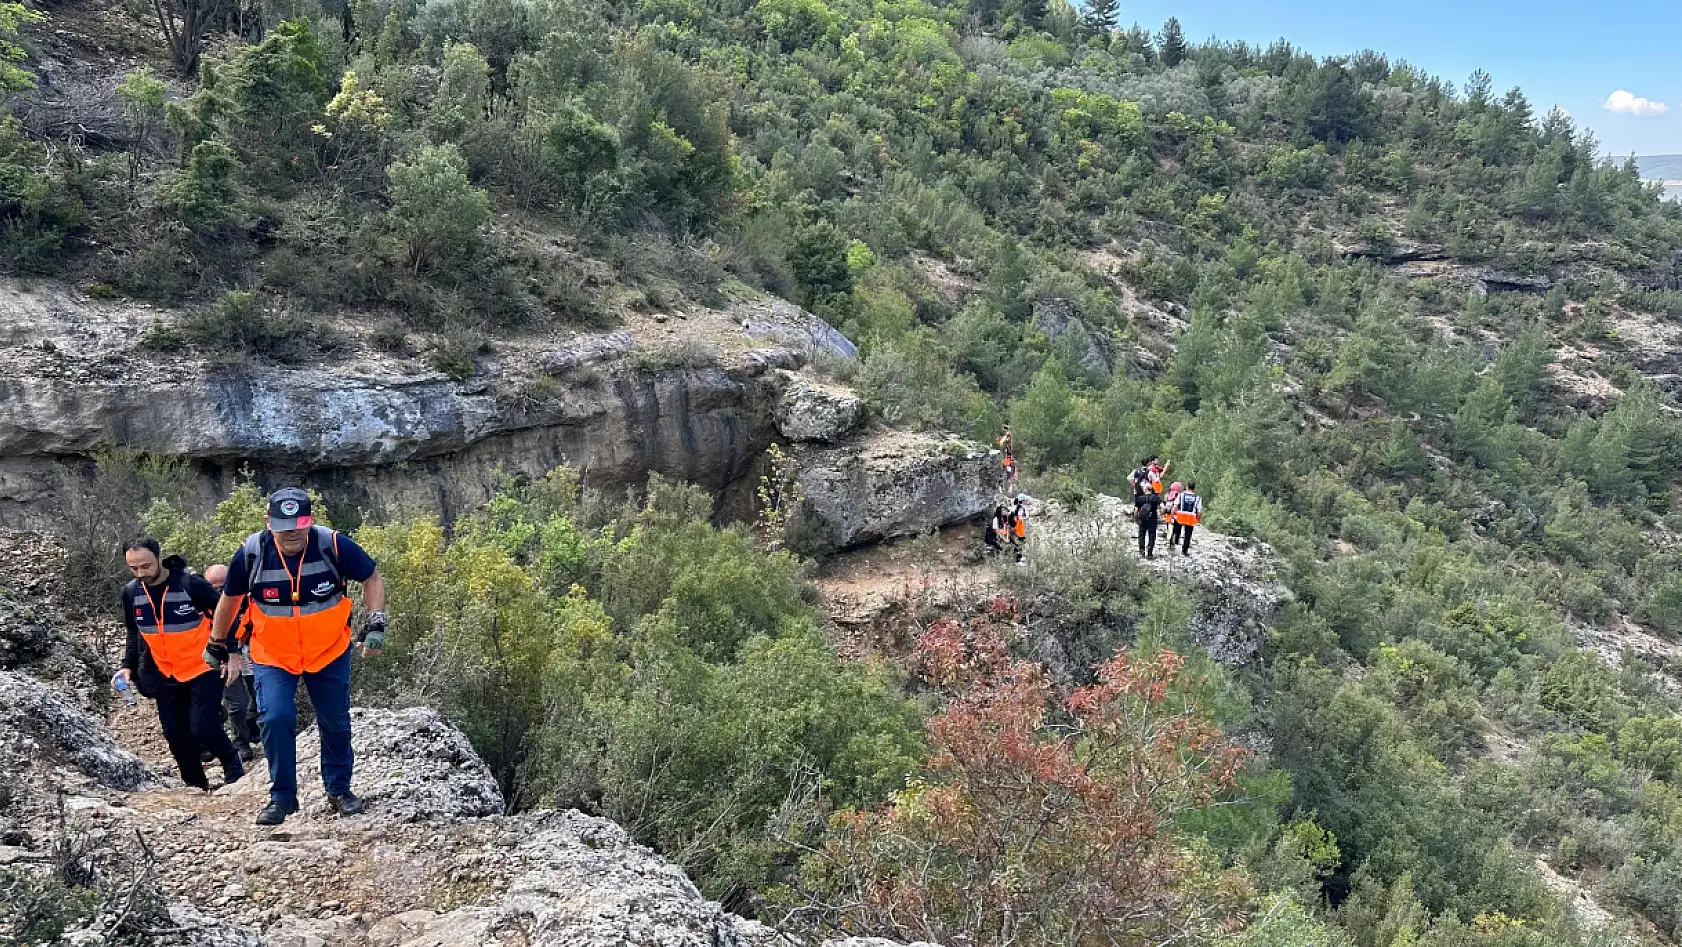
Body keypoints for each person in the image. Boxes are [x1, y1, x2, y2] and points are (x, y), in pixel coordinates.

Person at [207, 488, 388, 826]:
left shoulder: (333, 545)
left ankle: (338, 790)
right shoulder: (252, 552)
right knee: (275, 718)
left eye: (298, 523)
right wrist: (217, 643)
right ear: (268, 522)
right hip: (272, 653)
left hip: (328, 650)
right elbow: (229, 600)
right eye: (282, 524)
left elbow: (371, 576)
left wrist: (376, 619)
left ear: (310, 521)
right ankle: (282, 797)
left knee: (334, 721)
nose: (290, 531)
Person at [119, 538, 245, 792]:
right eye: (134, 568)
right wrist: (127, 666)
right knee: (175, 734)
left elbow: (227, 613)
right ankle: (195, 785)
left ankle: (232, 761)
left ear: (158, 557)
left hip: (203, 666)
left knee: (202, 727)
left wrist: (232, 654)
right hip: (166, 671)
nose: (141, 573)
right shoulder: (131, 592)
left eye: (145, 566)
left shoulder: (190, 584)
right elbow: (134, 633)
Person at [204, 563, 258, 764]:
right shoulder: (202, 604)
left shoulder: (248, 597)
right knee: (236, 704)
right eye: (213, 586)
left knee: (260, 699)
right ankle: (240, 742)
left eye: (222, 585)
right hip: (223, 657)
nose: (218, 591)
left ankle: (252, 729)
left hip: (252, 653)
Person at [1170, 481, 1204, 556]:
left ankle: (1175, 544)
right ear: (1194, 488)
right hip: (1191, 518)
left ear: (1187, 486)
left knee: (1177, 530)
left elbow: (1175, 506)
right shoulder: (1198, 498)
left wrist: (1172, 516)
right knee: (1188, 535)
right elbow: (1199, 511)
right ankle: (1184, 550)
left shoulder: (1181, 495)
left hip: (1181, 517)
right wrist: (1198, 519)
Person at [1137, 488, 1162, 558]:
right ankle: (1149, 553)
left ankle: (1142, 552)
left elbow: (1136, 511)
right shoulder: (1156, 498)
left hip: (1142, 520)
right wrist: (1160, 515)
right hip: (1152, 520)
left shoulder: (1139, 498)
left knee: (1141, 535)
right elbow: (1163, 507)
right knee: (1152, 536)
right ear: (1152, 490)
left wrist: (1136, 519)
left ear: (1145, 490)